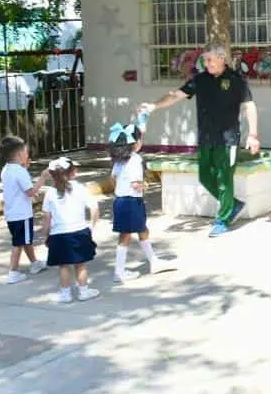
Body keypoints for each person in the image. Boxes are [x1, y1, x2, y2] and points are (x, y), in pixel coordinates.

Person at [139, 44, 261, 237]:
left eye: (210, 59)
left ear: (222, 58)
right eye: (205, 59)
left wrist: (253, 135)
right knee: (205, 177)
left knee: (224, 180)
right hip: (206, 138)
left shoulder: (237, 80)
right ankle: (234, 205)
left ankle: (223, 219)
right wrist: (153, 106)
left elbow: (249, 106)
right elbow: (175, 96)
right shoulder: (200, 80)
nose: (206, 63)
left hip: (228, 139)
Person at [107, 122, 176, 282]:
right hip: (132, 201)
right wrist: (145, 184)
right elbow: (136, 184)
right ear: (135, 143)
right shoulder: (135, 159)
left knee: (142, 230)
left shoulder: (119, 160)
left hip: (120, 201)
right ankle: (119, 270)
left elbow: (112, 179)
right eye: (140, 139)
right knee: (126, 236)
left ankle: (153, 261)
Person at [42, 157, 100, 303]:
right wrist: (91, 227)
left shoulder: (50, 193)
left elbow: (47, 219)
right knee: (80, 264)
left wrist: (46, 235)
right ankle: (84, 291)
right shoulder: (80, 188)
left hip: (59, 234)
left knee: (63, 265)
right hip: (79, 231)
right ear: (72, 172)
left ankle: (65, 294)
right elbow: (94, 208)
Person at [0, 135, 50, 284]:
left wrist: (25, 169)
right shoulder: (20, 172)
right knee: (18, 243)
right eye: (26, 152)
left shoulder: (7, 169)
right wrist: (43, 178)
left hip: (11, 213)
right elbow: (31, 192)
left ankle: (34, 263)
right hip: (22, 214)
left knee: (25, 240)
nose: (28, 154)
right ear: (19, 154)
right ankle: (13, 271)